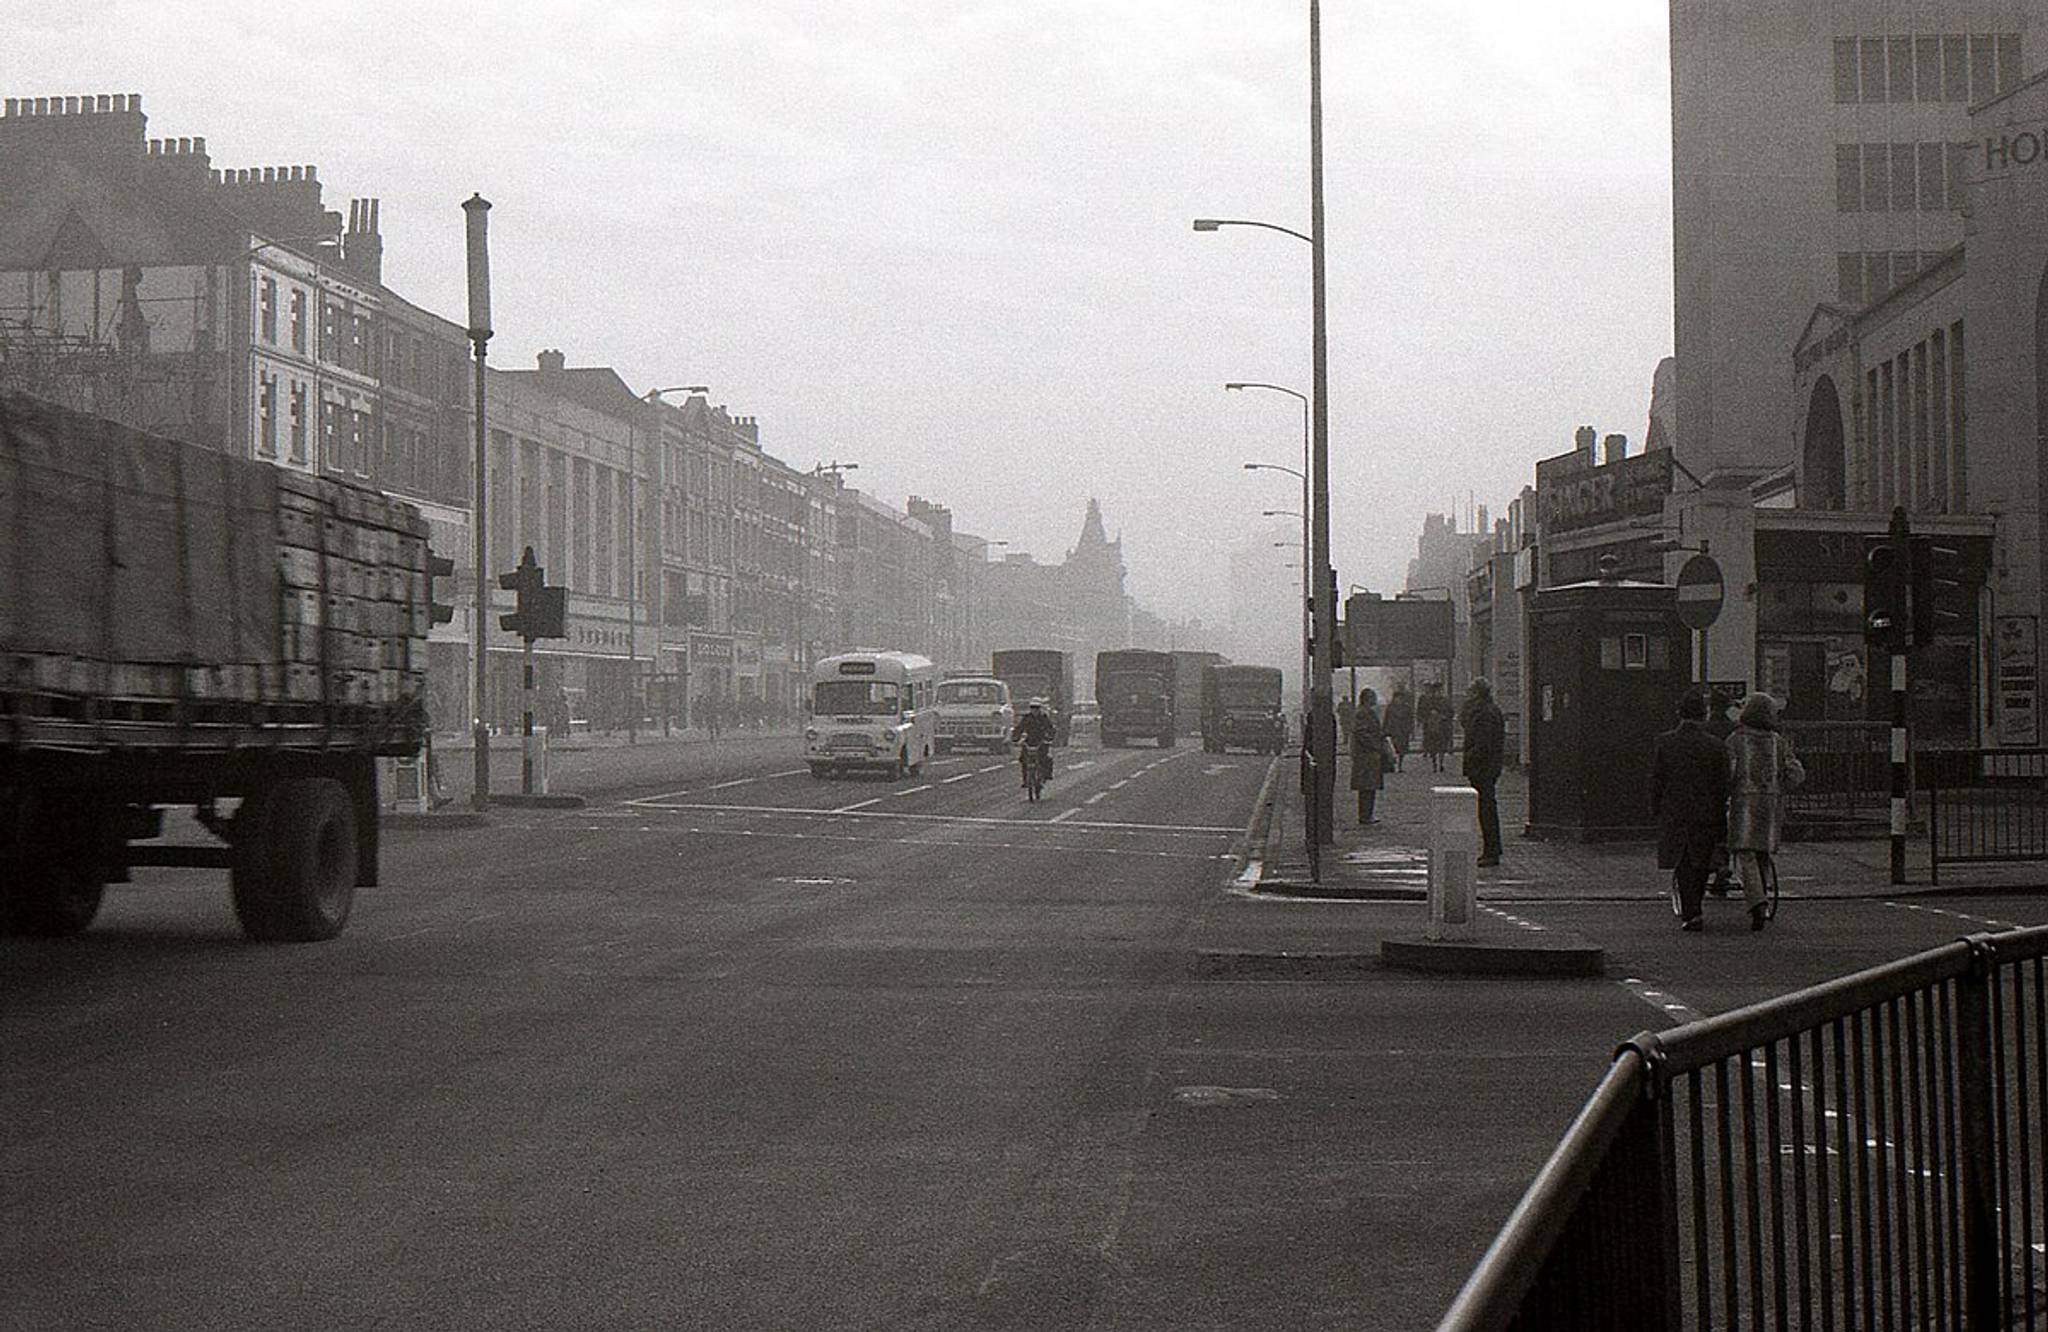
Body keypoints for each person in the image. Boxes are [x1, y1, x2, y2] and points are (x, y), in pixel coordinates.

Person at [1651, 691, 1730, 932]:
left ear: (1679, 713)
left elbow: (1656, 779)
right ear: (1703, 715)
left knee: (1683, 860)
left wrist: (1656, 807)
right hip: (1707, 811)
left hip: (1675, 809)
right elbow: (1723, 783)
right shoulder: (1715, 746)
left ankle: (1692, 911)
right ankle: (1695, 905)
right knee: (1703, 859)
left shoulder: (1664, 742)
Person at [1725, 692, 1804, 932]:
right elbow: (1795, 774)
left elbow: (1728, 773)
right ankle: (1765, 891)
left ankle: (1757, 901)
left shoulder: (1735, 740)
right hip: (1771, 804)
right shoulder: (1778, 741)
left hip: (1744, 803)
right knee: (1763, 852)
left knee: (1745, 853)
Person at [1461, 678, 1507, 866]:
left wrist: (1471, 756)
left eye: (1470, 692)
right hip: (1485, 766)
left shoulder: (1485, 713)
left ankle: (1491, 850)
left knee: (1486, 808)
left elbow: (1484, 743)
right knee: (1486, 806)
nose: (1467, 696)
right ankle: (1492, 849)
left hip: (1484, 767)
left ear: (1477, 693)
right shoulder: (1486, 710)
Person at [1702, 689, 1739, 895]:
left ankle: (1715, 864)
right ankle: (1722, 865)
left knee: (1708, 828)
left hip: (1708, 786)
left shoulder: (1705, 729)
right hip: (1730, 784)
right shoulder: (1733, 729)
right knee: (1725, 828)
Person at [1350, 688, 1386, 824]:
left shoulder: (1366, 712)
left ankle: (1367, 814)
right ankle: (1365, 815)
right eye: (1373, 696)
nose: (1375, 699)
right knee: (1367, 787)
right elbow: (1362, 733)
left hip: (1368, 755)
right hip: (1366, 756)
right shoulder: (1364, 713)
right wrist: (1376, 745)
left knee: (1369, 787)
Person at [1011, 698, 1057, 787]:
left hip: (1041, 741)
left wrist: (1049, 737)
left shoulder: (1044, 718)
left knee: (1045, 758)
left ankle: (1046, 774)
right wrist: (1015, 737)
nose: (1034, 710)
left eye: (1036, 708)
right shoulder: (1026, 718)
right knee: (1023, 759)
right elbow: (1019, 728)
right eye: (1032, 708)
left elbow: (1050, 729)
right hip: (1029, 741)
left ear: (1040, 708)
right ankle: (1026, 780)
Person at [1418, 681, 1452, 774]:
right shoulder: (1428, 701)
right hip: (1431, 727)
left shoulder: (1445, 700)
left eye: (1440, 690)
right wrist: (1427, 717)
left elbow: (1450, 712)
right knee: (1433, 746)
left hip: (1442, 726)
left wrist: (1444, 716)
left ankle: (1440, 762)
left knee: (1442, 745)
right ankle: (1434, 763)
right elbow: (1422, 711)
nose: (1438, 692)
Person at [1384, 683, 1416, 773]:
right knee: (1394, 748)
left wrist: (1410, 729)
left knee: (1402, 749)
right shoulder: (1390, 707)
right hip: (1393, 731)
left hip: (1403, 731)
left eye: (1400, 698)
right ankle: (1395, 765)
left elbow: (1410, 719)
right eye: (1397, 698)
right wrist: (1385, 730)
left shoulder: (1407, 708)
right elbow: (1386, 719)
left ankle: (1400, 765)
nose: (1399, 700)